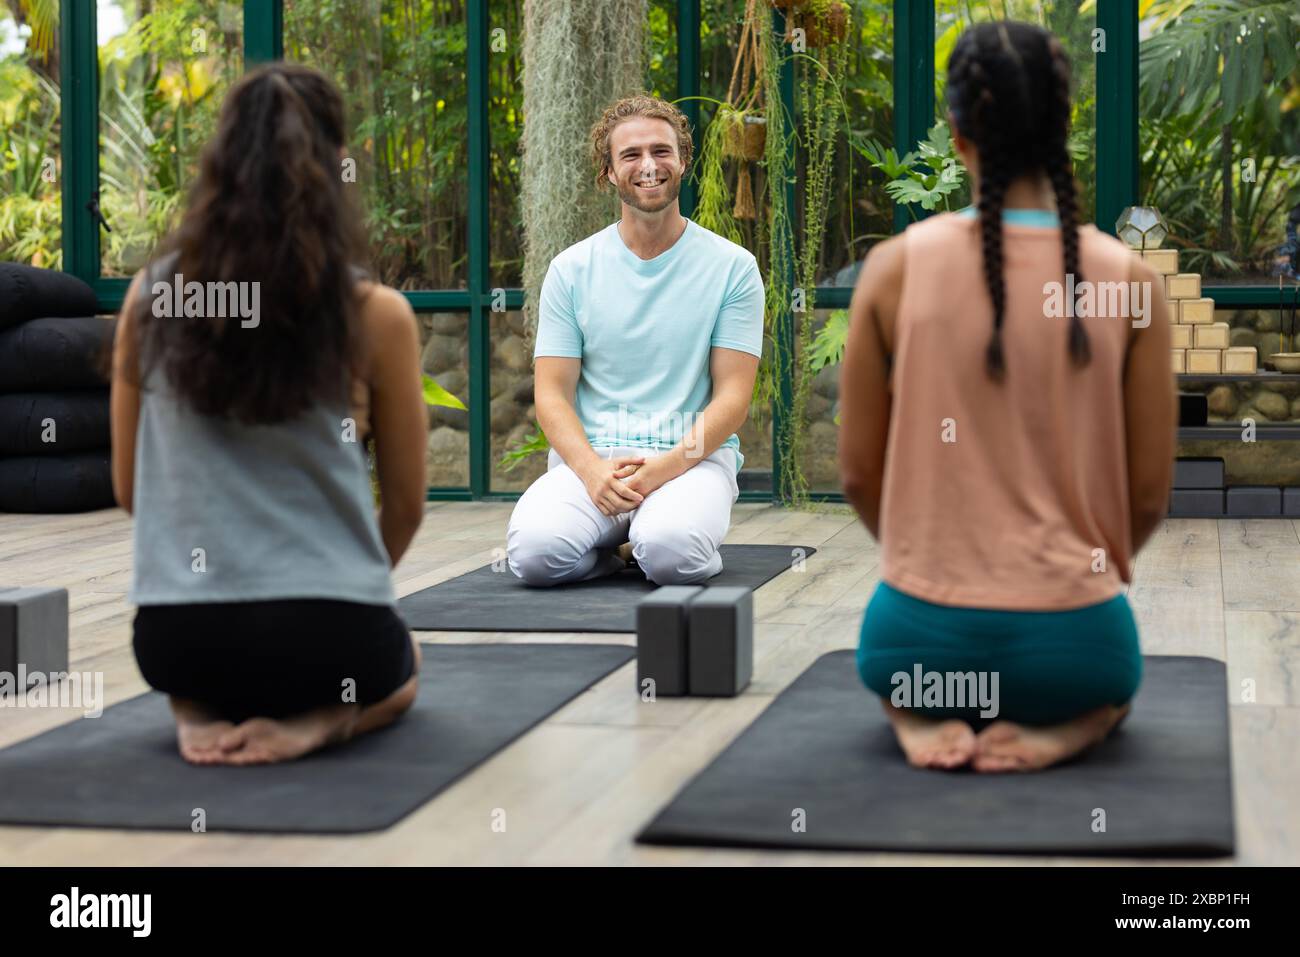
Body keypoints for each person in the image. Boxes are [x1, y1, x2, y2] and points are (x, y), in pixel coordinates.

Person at [838, 22, 1176, 772]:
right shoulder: (1132, 281)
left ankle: (914, 713)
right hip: (1077, 654)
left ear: (958, 134)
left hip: (916, 648)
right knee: (1105, 682)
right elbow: (1149, 495)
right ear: (1064, 131)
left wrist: (924, 569)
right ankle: (1079, 723)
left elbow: (858, 475)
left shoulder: (892, 270)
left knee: (903, 667)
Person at [109, 64, 429, 766]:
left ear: (217, 167)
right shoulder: (374, 314)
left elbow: (131, 492)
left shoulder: (151, 299)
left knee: (213, 660)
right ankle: (318, 724)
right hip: (328, 644)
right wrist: (349, 592)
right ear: (337, 169)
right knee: (404, 664)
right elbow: (405, 508)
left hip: (174, 644)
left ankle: (193, 709)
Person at [506, 94, 764, 587]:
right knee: (534, 556)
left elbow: (732, 399)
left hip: (691, 462)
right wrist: (591, 471)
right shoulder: (570, 270)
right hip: (595, 463)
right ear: (608, 172)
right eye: (630, 155)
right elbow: (551, 394)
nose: (649, 166)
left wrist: (661, 471)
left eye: (661, 151)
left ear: (683, 160)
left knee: (671, 555)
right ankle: (616, 555)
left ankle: (651, 543)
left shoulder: (733, 267)